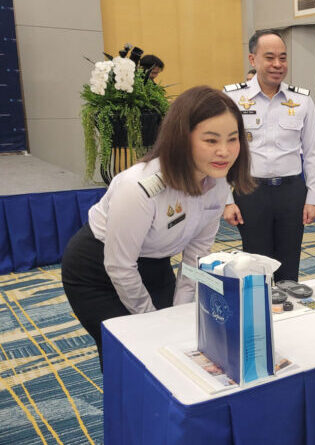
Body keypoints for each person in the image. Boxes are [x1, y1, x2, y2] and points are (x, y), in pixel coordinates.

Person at [61, 86, 254, 363]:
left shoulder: (218, 182)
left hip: (154, 263)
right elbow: (119, 266)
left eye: (233, 139)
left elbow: (197, 255)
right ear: (181, 138)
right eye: (211, 140)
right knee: (130, 353)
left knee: (173, 341)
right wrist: (152, 323)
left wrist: (180, 312)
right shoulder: (139, 187)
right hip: (96, 271)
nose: (224, 151)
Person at [222, 30, 315, 282]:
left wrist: (313, 198)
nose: (278, 64)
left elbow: (312, 152)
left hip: (291, 192)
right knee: (255, 264)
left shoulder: (301, 100)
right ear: (252, 59)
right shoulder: (232, 98)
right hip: (250, 191)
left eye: (283, 58)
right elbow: (221, 153)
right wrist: (226, 200)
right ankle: (259, 305)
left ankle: (288, 303)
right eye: (270, 58)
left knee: (289, 262)